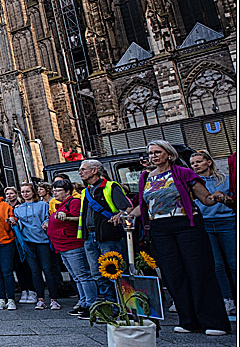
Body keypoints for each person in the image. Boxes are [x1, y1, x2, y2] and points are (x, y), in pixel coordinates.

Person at [123, 141, 230, 336]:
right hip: (160, 229)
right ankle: (189, 321)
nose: (153, 156)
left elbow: (205, 198)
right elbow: (145, 205)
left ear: (169, 154)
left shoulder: (183, 172)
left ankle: (214, 322)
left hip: (187, 226)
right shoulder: (146, 177)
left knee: (199, 271)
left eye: (157, 152)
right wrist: (128, 215)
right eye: (150, 153)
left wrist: (216, 197)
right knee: (173, 275)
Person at [76, 159, 130, 315]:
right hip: (89, 236)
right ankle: (109, 305)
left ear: (94, 171)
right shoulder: (85, 192)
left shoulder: (111, 187)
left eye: (83, 169)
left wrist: (120, 215)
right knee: (97, 274)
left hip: (107, 235)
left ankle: (122, 307)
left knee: (114, 272)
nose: (80, 172)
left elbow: (127, 208)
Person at [190, 150, 237, 315]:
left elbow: (233, 199)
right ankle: (227, 299)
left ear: (209, 162)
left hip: (227, 221)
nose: (195, 165)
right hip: (206, 223)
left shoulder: (225, 179)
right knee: (217, 265)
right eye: (193, 163)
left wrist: (225, 199)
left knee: (234, 263)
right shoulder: (194, 183)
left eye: (199, 162)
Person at [16, 182, 61, 310]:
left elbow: (47, 217)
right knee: (35, 271)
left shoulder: (43, 205)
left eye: (27, 191)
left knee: (47, 269)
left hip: (43, 241)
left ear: (33, 192)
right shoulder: (18, 209)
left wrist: (46, 223)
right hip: (28, 242)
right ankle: (40, 299)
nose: (25, 194)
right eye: (23, 192)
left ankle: (53, 299)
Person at [47, 179, 86, 311]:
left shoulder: (74, 202)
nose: (55, 193)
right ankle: (83, 301)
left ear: (68, 191)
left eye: (58, 190)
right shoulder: (60, 204)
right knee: (76, 277)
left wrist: (67, 217)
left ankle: (89, 304)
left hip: (72, 245)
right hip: (63, 246)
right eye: (54, 191)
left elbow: (80, 219)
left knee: (82, 276)